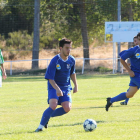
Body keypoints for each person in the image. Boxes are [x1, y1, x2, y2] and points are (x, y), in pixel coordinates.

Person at [35, 38, 78, 132]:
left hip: (66, 87)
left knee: (67, 108)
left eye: (70, 48)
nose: (69, 50)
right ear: (60, 48)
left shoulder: (71, 60)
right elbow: (50, 78)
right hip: (53, 85)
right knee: (53, 105)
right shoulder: (55, 60)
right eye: (66, 48)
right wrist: (57, 89)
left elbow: (72, 73)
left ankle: (47, 117)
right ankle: (40, 127)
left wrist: (76, 85)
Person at [105, 32, 140, 111]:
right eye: (139, 40)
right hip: (136, 75)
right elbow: (122, 59)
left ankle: (111, 100)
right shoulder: (134, 50)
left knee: (129, 94)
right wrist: (129, 70)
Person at [120, 36, 138, 105]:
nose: (135, 42)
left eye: (137, 41)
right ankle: (125, 101)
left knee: (132, 88)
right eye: (134, 41)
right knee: (132, 88)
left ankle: (125, 101)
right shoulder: (134, 50)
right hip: (135, 73)